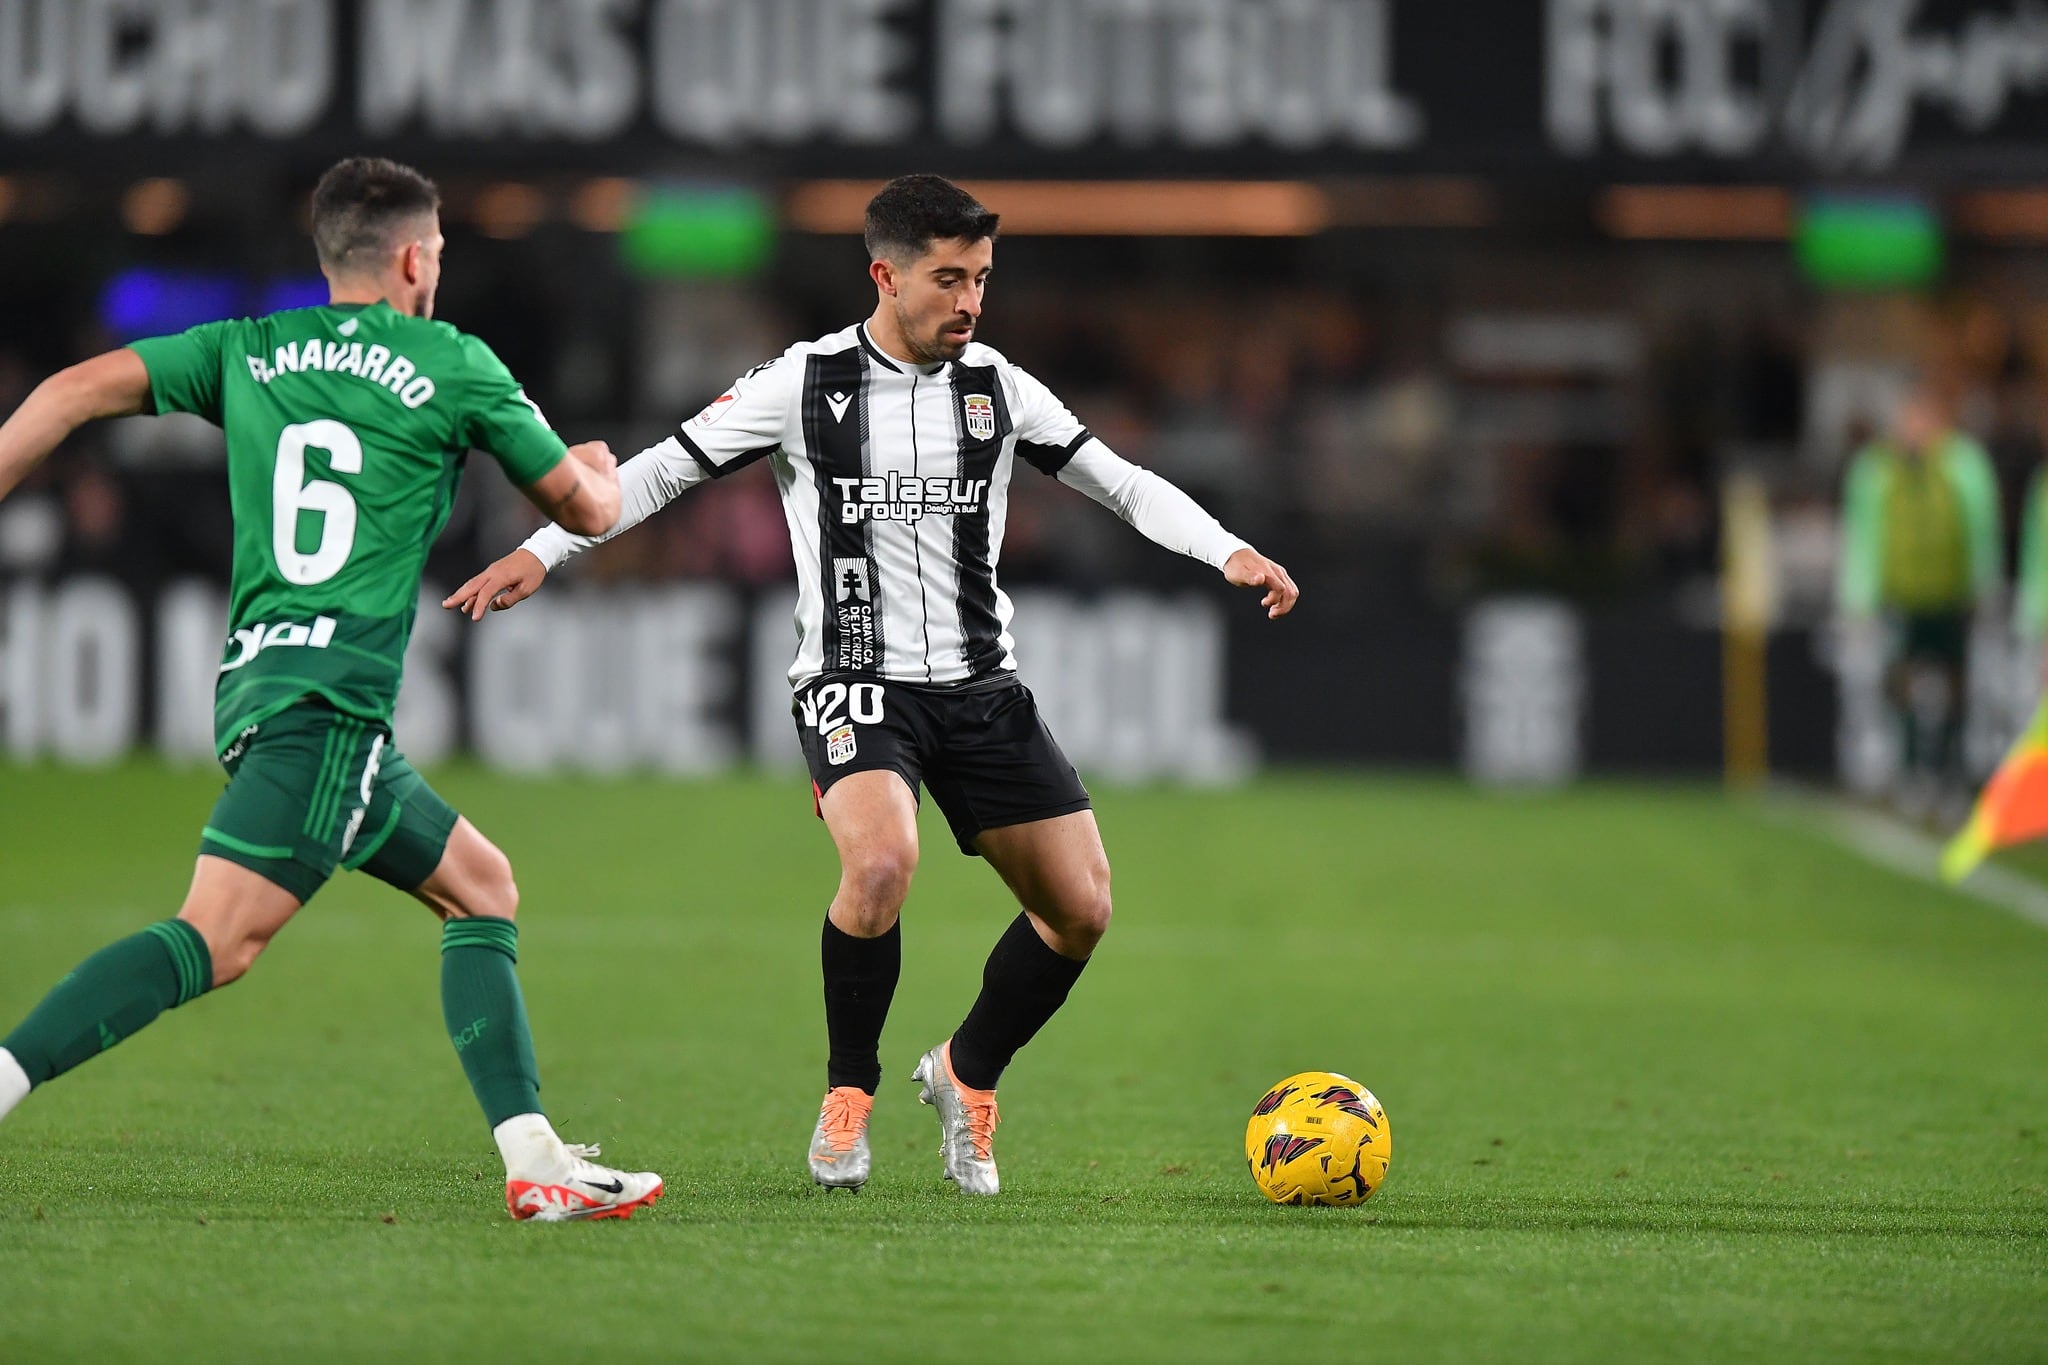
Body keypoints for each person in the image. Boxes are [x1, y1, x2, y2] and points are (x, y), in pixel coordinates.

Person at [446, 174, 1299, 1195]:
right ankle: (847, 1096)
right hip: (853, 681)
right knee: (882, 862)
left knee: (1079, 910)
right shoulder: (801, 385)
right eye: (948, 279)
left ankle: (963, 1076)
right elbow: (664, 468)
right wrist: (544, 550)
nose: (969, 300)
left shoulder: (999, 389)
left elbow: (1116, 478)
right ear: (884, 276)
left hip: (982, 688)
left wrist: (1225, 550)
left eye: (981, 278)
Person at [0, 157, 661, 1222]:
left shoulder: (248, 349)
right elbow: (587, 513)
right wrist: (590, 458)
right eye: (436, 251)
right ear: (412, 256)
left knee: (480, 886)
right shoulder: (454, 363)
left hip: (262, 684)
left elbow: (69, 394)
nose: (435, 267)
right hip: (334, 703)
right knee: (216, 940)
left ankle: (534, 1155)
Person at [1838, 385, 2002, 817]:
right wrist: (1859, 597)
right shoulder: (1877, 469)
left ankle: (1951, 773)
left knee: (1956, 686)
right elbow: (1863, 535)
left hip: (1951, 596)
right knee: (1903, 685)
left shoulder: (1964, 465)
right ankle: (1912, 771)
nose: (1914, 428)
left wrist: (1984, 584)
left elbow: (1982, 526)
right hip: (1903, 596)